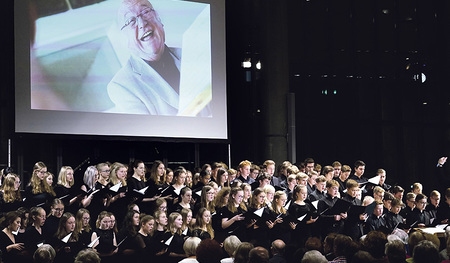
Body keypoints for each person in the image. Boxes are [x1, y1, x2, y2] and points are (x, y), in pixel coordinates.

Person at [107, 0, 211, 116]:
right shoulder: (121, 86)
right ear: (125, 38)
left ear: (160, 20)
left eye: (146, 12)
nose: (142, 23)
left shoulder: (193, 54)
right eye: (131, 21)